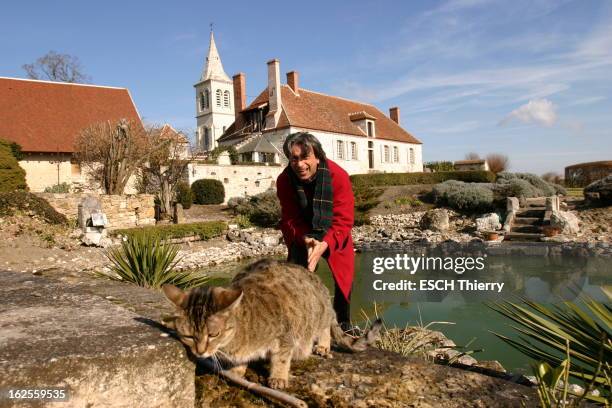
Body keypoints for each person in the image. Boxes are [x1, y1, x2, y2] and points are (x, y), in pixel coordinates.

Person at [276, 132, 355, 329]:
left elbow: (344, 219)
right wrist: (306, 239)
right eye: (294, 158)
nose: (300, 164)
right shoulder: (285, 180)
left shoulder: (338, 176)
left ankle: (343, 324)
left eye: (305, 157)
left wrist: (325, 242)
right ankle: (298, 324)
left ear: (317, 156)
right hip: (302, 228)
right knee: (296, 277)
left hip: (333, 229)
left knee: (344, 278)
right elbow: (290, 218)